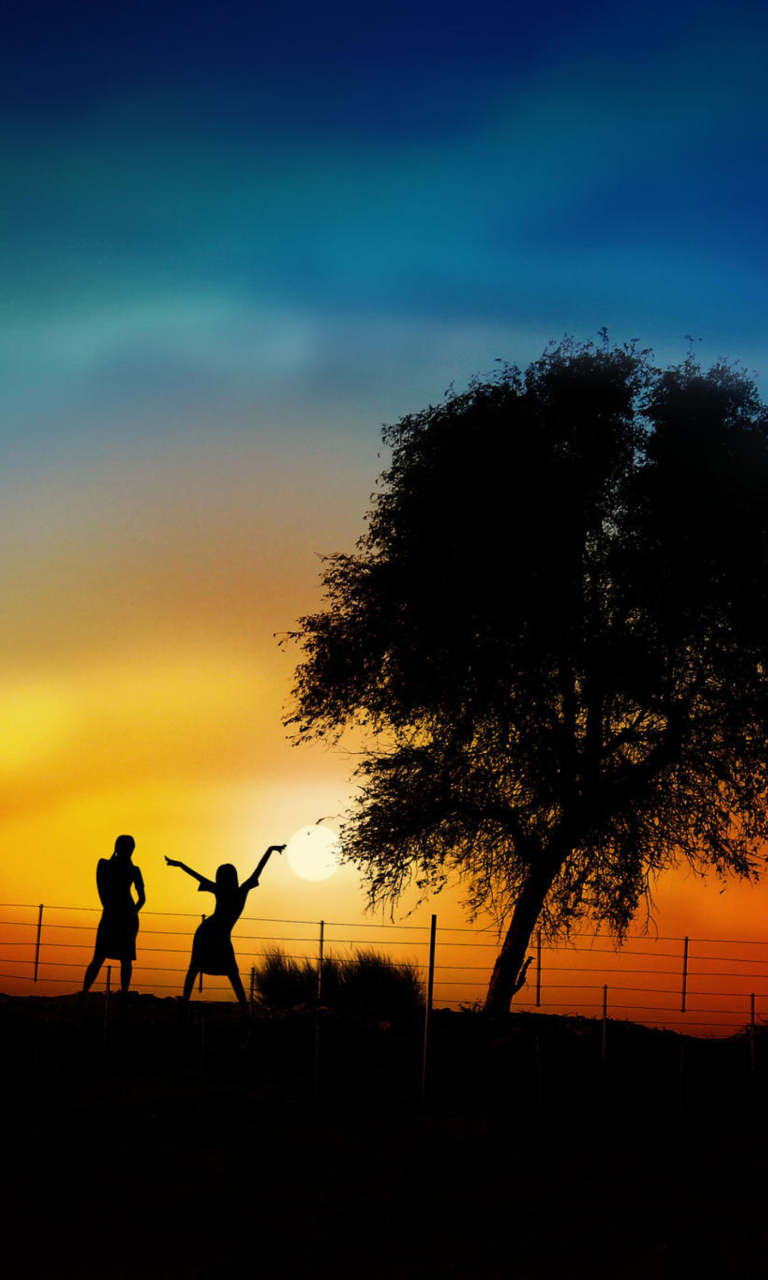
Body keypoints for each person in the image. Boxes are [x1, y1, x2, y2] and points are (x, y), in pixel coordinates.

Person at [166, 844, 285, 1011]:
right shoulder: (240, 890)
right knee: (219, 970)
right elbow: (259, 869)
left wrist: (180, 865)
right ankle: (241, 1009)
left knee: (211, 969)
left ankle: (241, 1009)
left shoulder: (226, 890)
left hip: (210, 932)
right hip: (211, 933)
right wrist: (270, 850)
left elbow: (197, 876)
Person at [80, 834, 145, 1000]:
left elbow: (142, 898)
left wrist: (127, 912)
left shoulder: (122, 868)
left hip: (117, 915)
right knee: (110, 957)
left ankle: (89, 994)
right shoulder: (118, 867)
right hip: (118, 915)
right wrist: (131, 912)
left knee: (114, 957)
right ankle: (88, 993)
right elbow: (142, 899)